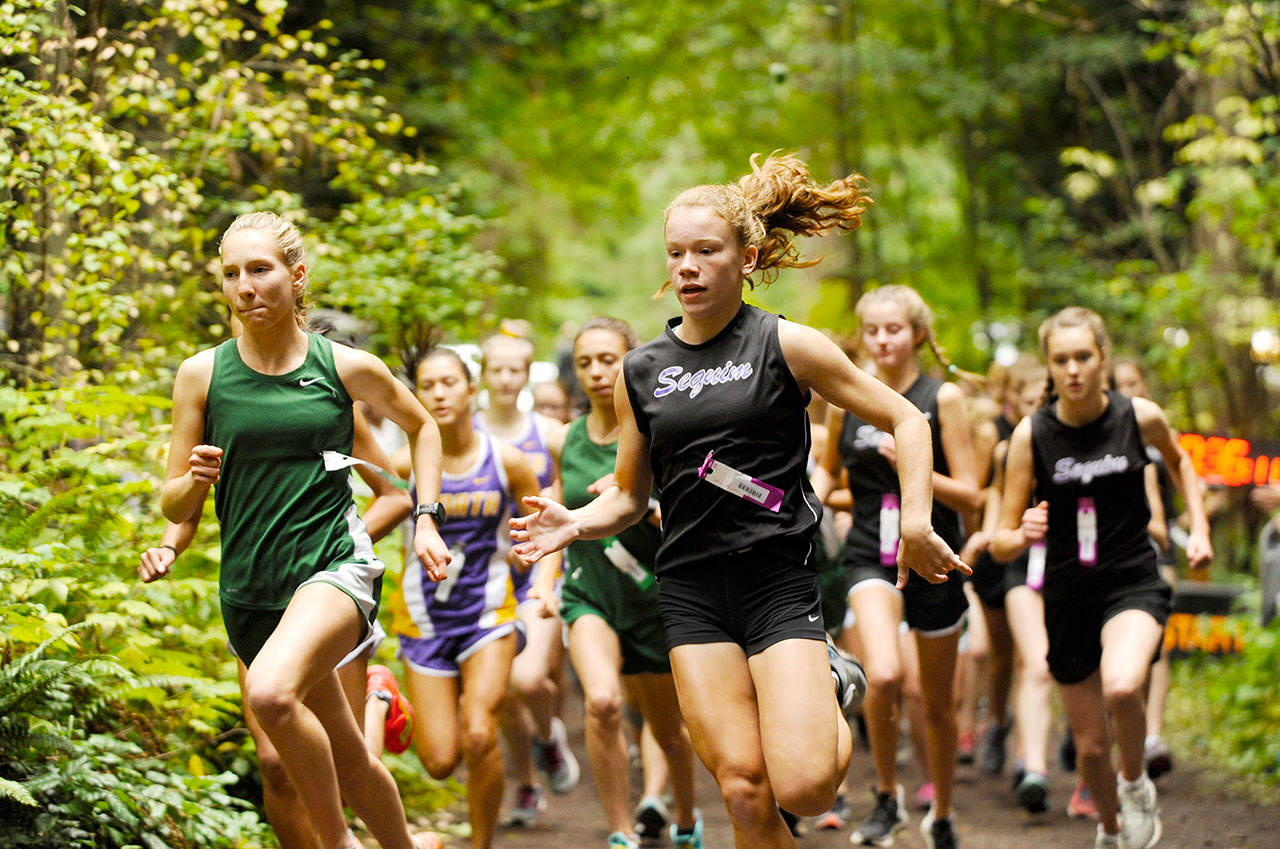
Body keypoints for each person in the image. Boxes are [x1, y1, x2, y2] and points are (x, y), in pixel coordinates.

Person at [511, 153, 968, 849]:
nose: (687, 266)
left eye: (705, 250)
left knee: (806, 786)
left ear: (747, 257)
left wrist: (913, 520)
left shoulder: (786, 344)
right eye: (676, 253)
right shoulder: (642, 372)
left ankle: (834, 680)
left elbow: (907, 419)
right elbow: (630, 496)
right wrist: (573, 522)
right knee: (745, 792)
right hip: (691, 586)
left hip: (777, 578)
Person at [158, 211, 447, 849]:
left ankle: (337, 842)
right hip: (249, 593)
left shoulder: (345, 367)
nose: (244, 287)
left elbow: (423, 428)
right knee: (347, 754)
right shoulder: (201, 375)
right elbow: (173, 503)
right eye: (231, 274)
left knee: (268, 695)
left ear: (296, 275)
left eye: (260, 270)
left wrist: (426, 518)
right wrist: (194, 483)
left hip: (332, 571)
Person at [142, 399, 420, 847]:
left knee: (344, 765)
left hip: (328, 592)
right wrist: (169, 548)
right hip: (255, 597)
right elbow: (182, 502)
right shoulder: (220, 393)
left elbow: (395, 495)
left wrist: (336, 549)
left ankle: (373, 707)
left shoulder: (335, 402)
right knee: (276, 766)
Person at [991, 307, 1213, 849]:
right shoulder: (1031, 435)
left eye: (1083, 357)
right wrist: (1022, 533)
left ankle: (1135, 782)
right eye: (1061, 359)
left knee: (1121, 682)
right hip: (1067, 592)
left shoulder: (1137, 417)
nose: (1073, 370)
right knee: (1090, 748)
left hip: (1132, 578)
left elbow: (1181, 462)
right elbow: (998, 537)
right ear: (1049, 364)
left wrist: (1199, 529)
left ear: (1103, 358)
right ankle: (1112, 829)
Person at [816, 284, 983, 849]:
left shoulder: (945, 399)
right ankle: (886, 796)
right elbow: (832, 483)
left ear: (917, 334)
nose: (883, 341)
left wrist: (913, 468)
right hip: (870, 551)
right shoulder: (849, 399)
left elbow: (971, 497)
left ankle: (942, 811)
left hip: (935, 554)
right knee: (883, 675)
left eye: (894, 330)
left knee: (934, 703)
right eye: (872, 331)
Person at [534, 316, 703, 849]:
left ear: (632, 360)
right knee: (603, 703)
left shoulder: (659, 431)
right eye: (585, 362)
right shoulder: (565, 439)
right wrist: (544, 581)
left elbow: (696, 512)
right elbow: (556, 518)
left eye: (608, 359)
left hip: (654, 597)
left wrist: (643, 500)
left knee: (669, 730)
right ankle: (621, 831)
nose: (596, 371)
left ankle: (686, 818)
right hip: (591, 592)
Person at [389, 346, 549, 849]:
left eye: (448, 382)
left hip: (489, 615)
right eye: (427, 385)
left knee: (480, 733)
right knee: (439, 762)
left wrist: (539, 575)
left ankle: (480, 844)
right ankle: (389, 692)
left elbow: (541, 528)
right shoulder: (402, 465)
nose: (438, 393)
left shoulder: (506, 460)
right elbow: (368, 514)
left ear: (470, 389)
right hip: (423, 620)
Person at [474, 332, 581, 826]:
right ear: (483, 374)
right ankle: (525, 784)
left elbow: (570, 500)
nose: (504, 378)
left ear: (527, 373)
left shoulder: (551, 434)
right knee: (502, 693)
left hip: (541, 570)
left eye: (514, 370)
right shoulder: (465, 432)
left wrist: (548, 576)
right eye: (496, 369)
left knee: (528, 677)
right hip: (487, 577)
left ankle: (548, 737)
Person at [967, 364, 1059, 813]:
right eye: (1028, 401)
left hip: (1066, 568)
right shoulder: (1007, 446)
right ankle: (999, 727)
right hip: (1014, 562)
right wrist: (987, 537)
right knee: (1010, 656)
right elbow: (992, 497)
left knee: (1032, 660)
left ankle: (1029, 759)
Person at [1111, 357, 1180, 780]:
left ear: (1145, 384)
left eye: (1134, 382)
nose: (1128, 390)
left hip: (1158, 550)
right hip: (1106, 556)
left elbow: (1187, 476)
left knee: (1158, 645)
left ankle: (1152, 733)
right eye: (1120, 385)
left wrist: (1199, 521)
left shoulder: (1157, 432)